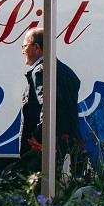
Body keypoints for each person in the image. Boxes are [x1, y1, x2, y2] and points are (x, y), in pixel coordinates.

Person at [19, 26, 83, 160]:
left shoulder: (40, 71)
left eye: (24, 46)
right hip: (70, 142)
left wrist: (38, 137)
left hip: (46, 148)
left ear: (36, 47)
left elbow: (49, 106)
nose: (22, 51)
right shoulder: (67, 71)